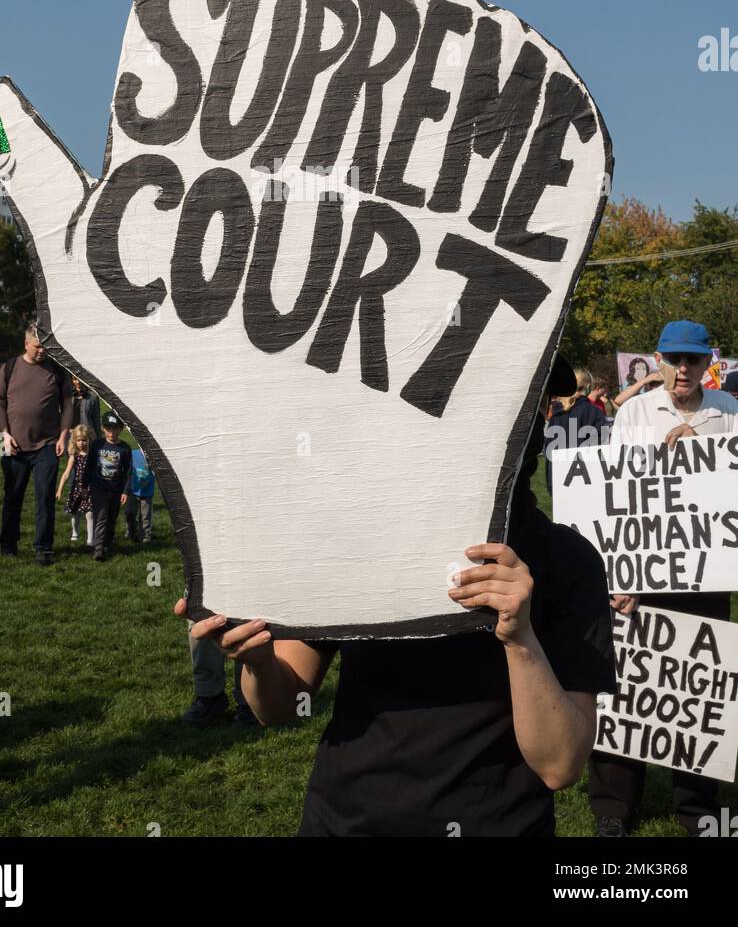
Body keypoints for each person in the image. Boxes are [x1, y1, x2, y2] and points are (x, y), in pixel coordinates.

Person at [177, 354, 617, 832]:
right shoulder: (356, 532)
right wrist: (257, 660)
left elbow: (560, 765)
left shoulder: (568, 560)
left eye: (528, 401)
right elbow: (278, 705)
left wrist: (520, 640)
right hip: (344, 821)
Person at [588, 319, 738, 838]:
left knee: (697, 693)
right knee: (626, 690)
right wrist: (620, 573)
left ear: (705, 364)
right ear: (658, 360)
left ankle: (698, 811)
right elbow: (615, 500)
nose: (682, 370)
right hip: (639, 577)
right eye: (673, 359)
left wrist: (697, 448)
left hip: (705, 577)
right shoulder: (632, 412)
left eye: (692, 360)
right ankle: (612, 809)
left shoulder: (729, 412)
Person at [0, 325, 73, 566]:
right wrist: (5, 435)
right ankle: (8, 544)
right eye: (37, 346)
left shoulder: (57, 371)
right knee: (12, 496)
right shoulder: (10, 368)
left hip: (47, 445)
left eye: (45, 346)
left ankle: (43, 548)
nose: (42, 351)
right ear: (26, 344)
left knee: (45, 497)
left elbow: (68, 405)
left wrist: (63, 436)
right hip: (14, 446)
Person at [543, 366, 609, 494]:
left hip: (558, 481)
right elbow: (604, 448)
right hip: (586, 479)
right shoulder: (593, 413)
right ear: (589, 386)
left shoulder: (556, 414)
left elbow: (548, 451)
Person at [86, 411, 131, 561]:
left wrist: (125, 491)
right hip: (98, 487)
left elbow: (128, 472)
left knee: (112, 517)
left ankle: (107, 543)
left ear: (121, 428)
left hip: (116, 489)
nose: (112, 432)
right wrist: (84, 485)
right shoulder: (97, 445)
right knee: (101, 516)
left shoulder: (125, 449)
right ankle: (98, 547)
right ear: (103, 428)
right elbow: (89, 465)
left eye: (115, 428)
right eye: (108, 428)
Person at [56, 423, 95, 546]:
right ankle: (75, 532)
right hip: (77, 488)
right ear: (74, 441)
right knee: (75, 512)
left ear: (89, 439)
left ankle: (90, 539)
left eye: (84, 440)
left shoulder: (93, 455)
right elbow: (66, 473)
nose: (81, 443)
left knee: (90, 514)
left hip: (90, 488)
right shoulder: (75, 456)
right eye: (78, 440)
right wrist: (59, 490)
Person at [123, 447, 155, 544]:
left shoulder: (154, 455)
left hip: (147, 490)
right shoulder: (132, 453)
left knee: (145, 515)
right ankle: (131, 530)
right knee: (130, 512)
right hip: (132, 489)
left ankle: (145, 535)